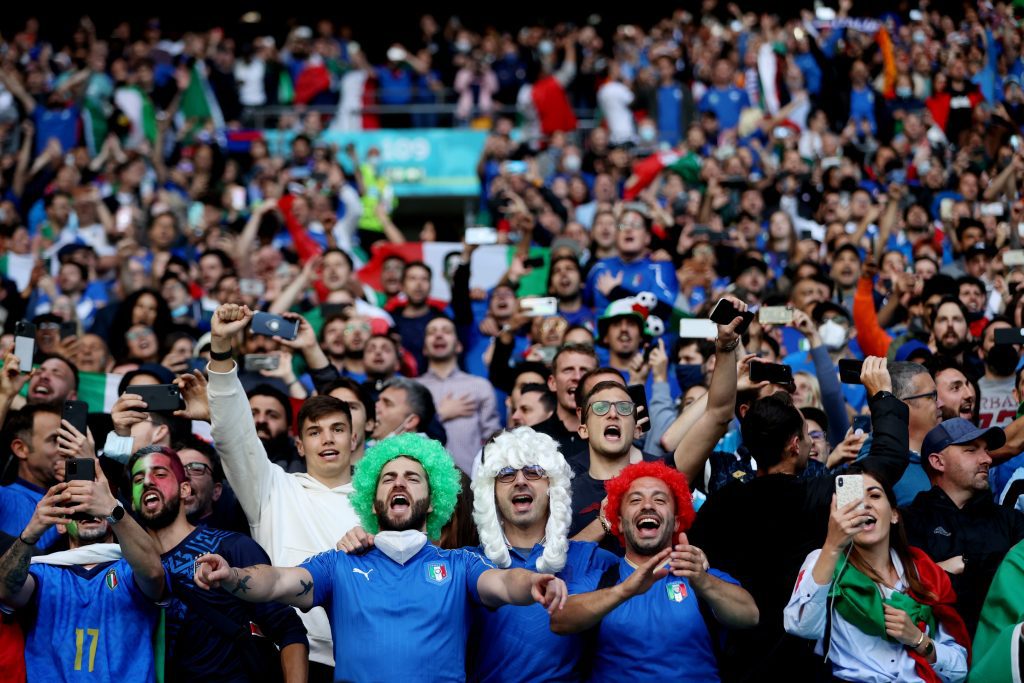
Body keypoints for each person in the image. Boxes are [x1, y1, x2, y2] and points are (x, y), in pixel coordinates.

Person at [193, 434, 569, 682]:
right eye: (388, 478)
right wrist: (232, 575)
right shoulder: (338, 564)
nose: (400, 483)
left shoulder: (460, 565)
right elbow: (277, 581)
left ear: (433, 498)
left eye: (412, 477)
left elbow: (503, 582)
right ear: (373, 500)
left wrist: (532, 581)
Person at [688, 357, 910, 681]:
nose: (809, 442)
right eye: (806, 434)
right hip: (807, 661)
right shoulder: (824, 497)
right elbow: (887, 459)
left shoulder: (720, 503)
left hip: (737, 659)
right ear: (795, 445)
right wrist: (882, 396)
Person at [203, 302, 360, 677]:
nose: (328, 439)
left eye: (338, 429)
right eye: (315, 431)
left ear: (355, 439)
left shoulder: (380, 499)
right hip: (284, 657)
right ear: (299, 445)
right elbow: (233, 433)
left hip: (363, 657)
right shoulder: (272, 488)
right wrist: (221, 351)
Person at [550, 461, 759, 681]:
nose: (647, 505)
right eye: (635, 499)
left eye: (659, 499)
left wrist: (704, 582)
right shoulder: (601, 581)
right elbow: (559, 620)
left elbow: (750, 616)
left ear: (677, 522)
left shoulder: (700, 576)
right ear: (619, 523)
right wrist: (622, 591)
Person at [129, 445, 309, 682]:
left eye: (160, 474)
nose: (148, 482)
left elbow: (288, 629)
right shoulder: (127, 570)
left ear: (185, 489)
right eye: (138, 479)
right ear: (131, 503)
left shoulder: (231, 546)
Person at [784, 464, 969, 682]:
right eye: (853, 500)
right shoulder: (824, 560)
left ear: (894, 515)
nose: (864, 505)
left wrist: (918, 639)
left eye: (874, 495)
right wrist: (833, 545)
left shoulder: (922, 570)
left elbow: (959, 670)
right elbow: (801, 626)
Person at [0, 463, 168, 681]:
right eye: (76, 505)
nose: (88, 512)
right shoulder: (41, 572)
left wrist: (113, 509)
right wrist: (31, 532)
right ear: (60, 524)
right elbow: (4, 589)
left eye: (94, 505)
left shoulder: (130, 569)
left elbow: (154, 573)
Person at [902, 418, 1024, 637]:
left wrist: (964, 563)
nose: (987, 459)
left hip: (1000, 654)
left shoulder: (1011, 521)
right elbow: (906, 587)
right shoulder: (910, 522)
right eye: (971, 450)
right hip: (932, 656)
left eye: (986, 450)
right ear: (938, 462)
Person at [416, 316, 500, 474]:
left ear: (459, 346)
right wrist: (440, 415)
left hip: (471, 481)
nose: (439, 335)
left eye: (446, 331)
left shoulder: (479, 385)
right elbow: (404, 435)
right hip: (422, 482)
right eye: (432, 332)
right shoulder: (413, 388)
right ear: (424, 349)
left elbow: (493, 441)